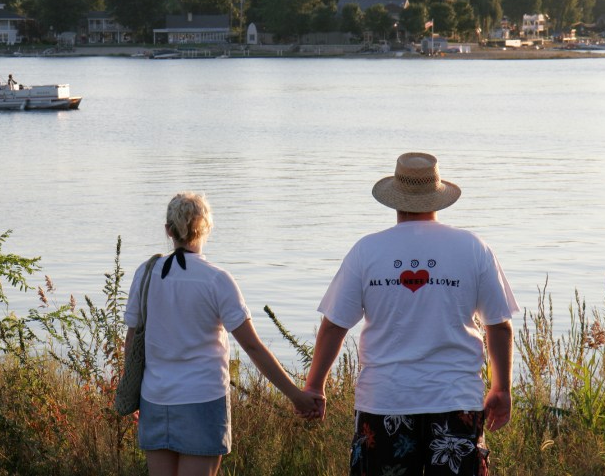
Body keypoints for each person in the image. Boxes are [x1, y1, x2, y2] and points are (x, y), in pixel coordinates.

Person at [304, 152, 518, 476]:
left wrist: (314, 385)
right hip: (455, 401)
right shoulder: (473, 247)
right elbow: (499, 326)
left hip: (384, 402)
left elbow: (334, 325)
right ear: (437, 197)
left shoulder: (367, 250)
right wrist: (501, 388)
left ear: (394, 199)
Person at [124, 192, 321, 476]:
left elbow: (132, 341)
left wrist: (133, 392)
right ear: (206, 228)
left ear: (168, 231)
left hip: (154, 399)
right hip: (201, 401)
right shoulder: (217, 279)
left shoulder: (145, 273)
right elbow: (252, 347)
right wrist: (295, 395)